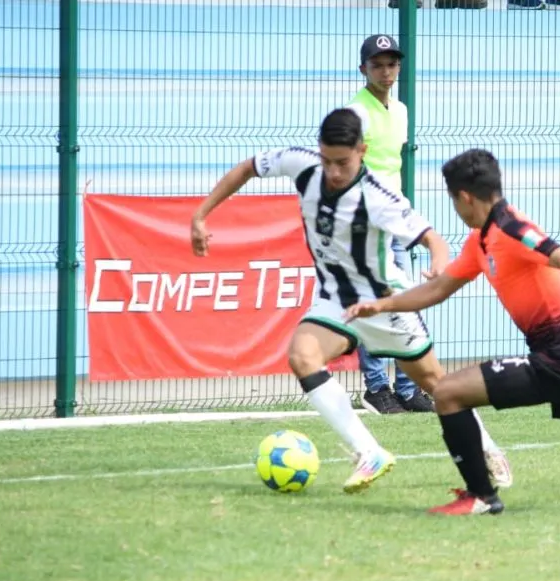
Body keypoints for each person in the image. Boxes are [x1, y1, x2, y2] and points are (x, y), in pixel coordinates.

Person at [345, 149, 560, 515]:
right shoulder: (480, 240)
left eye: (453, 201)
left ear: (464, 197)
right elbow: (437, 290)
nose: (455, 209)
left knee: (449, 392)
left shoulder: (511, 228)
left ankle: (481, 495)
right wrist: (383, 305)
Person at [190, 110, 513, 493]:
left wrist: (438, 263)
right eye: (327, 160)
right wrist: (201, 214)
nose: (334, 172)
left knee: (438, 386)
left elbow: (431, 237)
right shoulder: (301, 165)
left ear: (363, 150)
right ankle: (368, 452)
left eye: (343, 162)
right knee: (302, 356)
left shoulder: (377, 196)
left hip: (383, 302)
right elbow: (247, 168)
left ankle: (489, 450)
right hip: (334, 300)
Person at [346, 34, 433, 415]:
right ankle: (376, 387)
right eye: (378, 64)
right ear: (363, 68)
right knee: (376, 303)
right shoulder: (353, 113)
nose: (386, 71)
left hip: (395, 220)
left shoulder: (400, 110)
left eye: (392, 64)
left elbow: (392, 165)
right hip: (366, 222)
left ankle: (409, 389)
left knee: (406, 302)